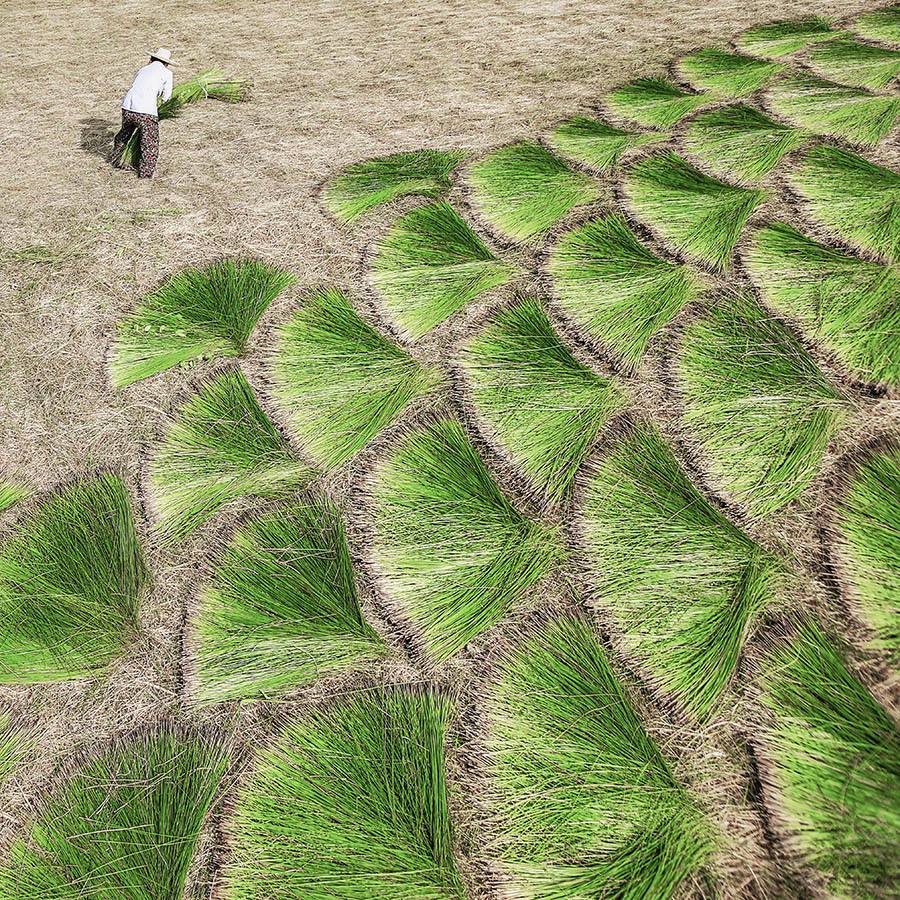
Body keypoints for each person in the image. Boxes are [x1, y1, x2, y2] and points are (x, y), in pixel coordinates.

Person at [113, 48, 176, 178]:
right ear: (166, 63)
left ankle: (117, 159)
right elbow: (166, 97)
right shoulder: (167, 73)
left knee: (125, 133)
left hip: (128, 107)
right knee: (149, 142)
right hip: (146, 111)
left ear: (152, 59)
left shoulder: (143, 69)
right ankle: (145, 173)